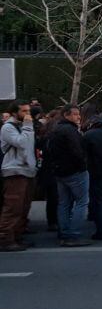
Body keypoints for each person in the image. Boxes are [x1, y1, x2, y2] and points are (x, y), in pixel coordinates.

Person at [49, 104, 91, 246]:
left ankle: (64, 232)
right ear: (67, 115)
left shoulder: (56, 129)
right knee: (81, 202)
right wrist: (83, 165)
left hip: (60, 171)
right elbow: (77, 152)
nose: (78, 117)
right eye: (75, 114)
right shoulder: (70, 131)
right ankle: (73, 235)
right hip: (75, 171)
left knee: (64, 203)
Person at [0, 101, 37, 251]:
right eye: (24, 111)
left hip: (27, 170)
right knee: (13, 207)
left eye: (28, 111)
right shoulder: (8, 128)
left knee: (23, 207)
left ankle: (17, 236)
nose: (28, 114)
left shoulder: (23, 126)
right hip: (14, 170)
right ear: (15, 113)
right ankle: (5, 239)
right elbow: (21, 143)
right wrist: (28, 127)